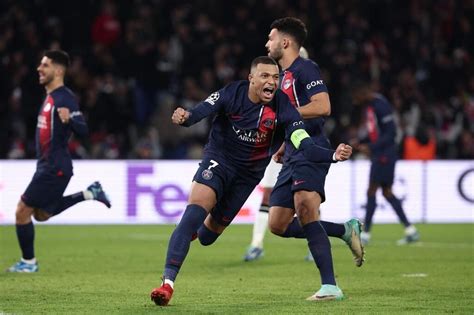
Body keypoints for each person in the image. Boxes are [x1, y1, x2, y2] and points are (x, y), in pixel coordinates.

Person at [150, 56, 353, 306]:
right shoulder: (231, 93)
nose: (271, 82)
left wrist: (333, 155)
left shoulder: (284, 107)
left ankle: (193, 232)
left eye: (276, 78)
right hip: (219, 161)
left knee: (207, 236)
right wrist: (185, 116)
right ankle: (167, 284)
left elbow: (305, 145)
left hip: (247, 176)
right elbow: (200, 111)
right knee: (193, 212)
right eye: (265, 76)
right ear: (252, 78)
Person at [262, 17, 365, 301]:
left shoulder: (306, 69)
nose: (266, 43)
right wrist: (283, 143)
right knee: (278, 224)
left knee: (306, 208)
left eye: (270, 38)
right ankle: (344, 230)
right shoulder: (282, 77)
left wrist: (287, 114)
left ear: (285, 42)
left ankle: (330, 286)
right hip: (293, 150)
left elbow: (323, 106)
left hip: (312, 148)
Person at [6, 50, 111, 273]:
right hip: (49, 165)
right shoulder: (50, 96)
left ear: (58, 70)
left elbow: (84, 130)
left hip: (54, 166)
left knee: (22, 211)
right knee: (41, 214)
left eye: (45, 65)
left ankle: (28, 263)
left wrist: (70, 119)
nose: (39, 69)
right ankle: (89, 193)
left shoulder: (64, 98)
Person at [243, 46, 307, 262]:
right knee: (267, 195)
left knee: (306, 198)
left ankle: (314, 242)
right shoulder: (276, 86)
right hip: (276, 147)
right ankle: (256, 244)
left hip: (297, 147)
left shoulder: (306, 90)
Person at [350, 81, 420, 245]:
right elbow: (376, 132)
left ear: (363, 93)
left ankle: (366, 233)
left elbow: (391, 133)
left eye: (356, 97)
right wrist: (361, 141)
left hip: (384, 155)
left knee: (372, 190)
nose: (355, 100)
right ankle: (411, 230)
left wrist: (371, 147)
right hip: (380, 153)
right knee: (387, 192)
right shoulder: (370, 106)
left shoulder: (380, 105)